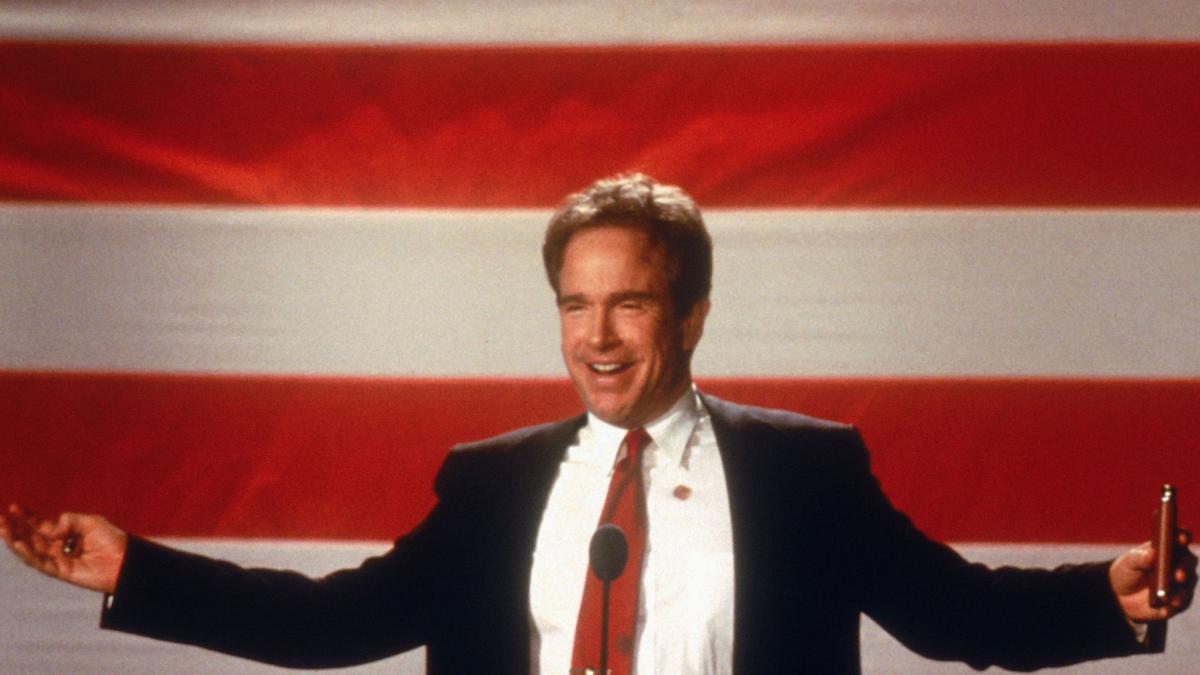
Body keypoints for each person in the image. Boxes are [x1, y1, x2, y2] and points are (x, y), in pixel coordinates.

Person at [2, 174, 1196, 674]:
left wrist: (1111, 593)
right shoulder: (490, 484)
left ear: (692, 312)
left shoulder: (805, 471)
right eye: (575, 304)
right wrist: (134, 571)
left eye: (629, 300)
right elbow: (335, 624)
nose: (598, 337)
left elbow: (949, 615)